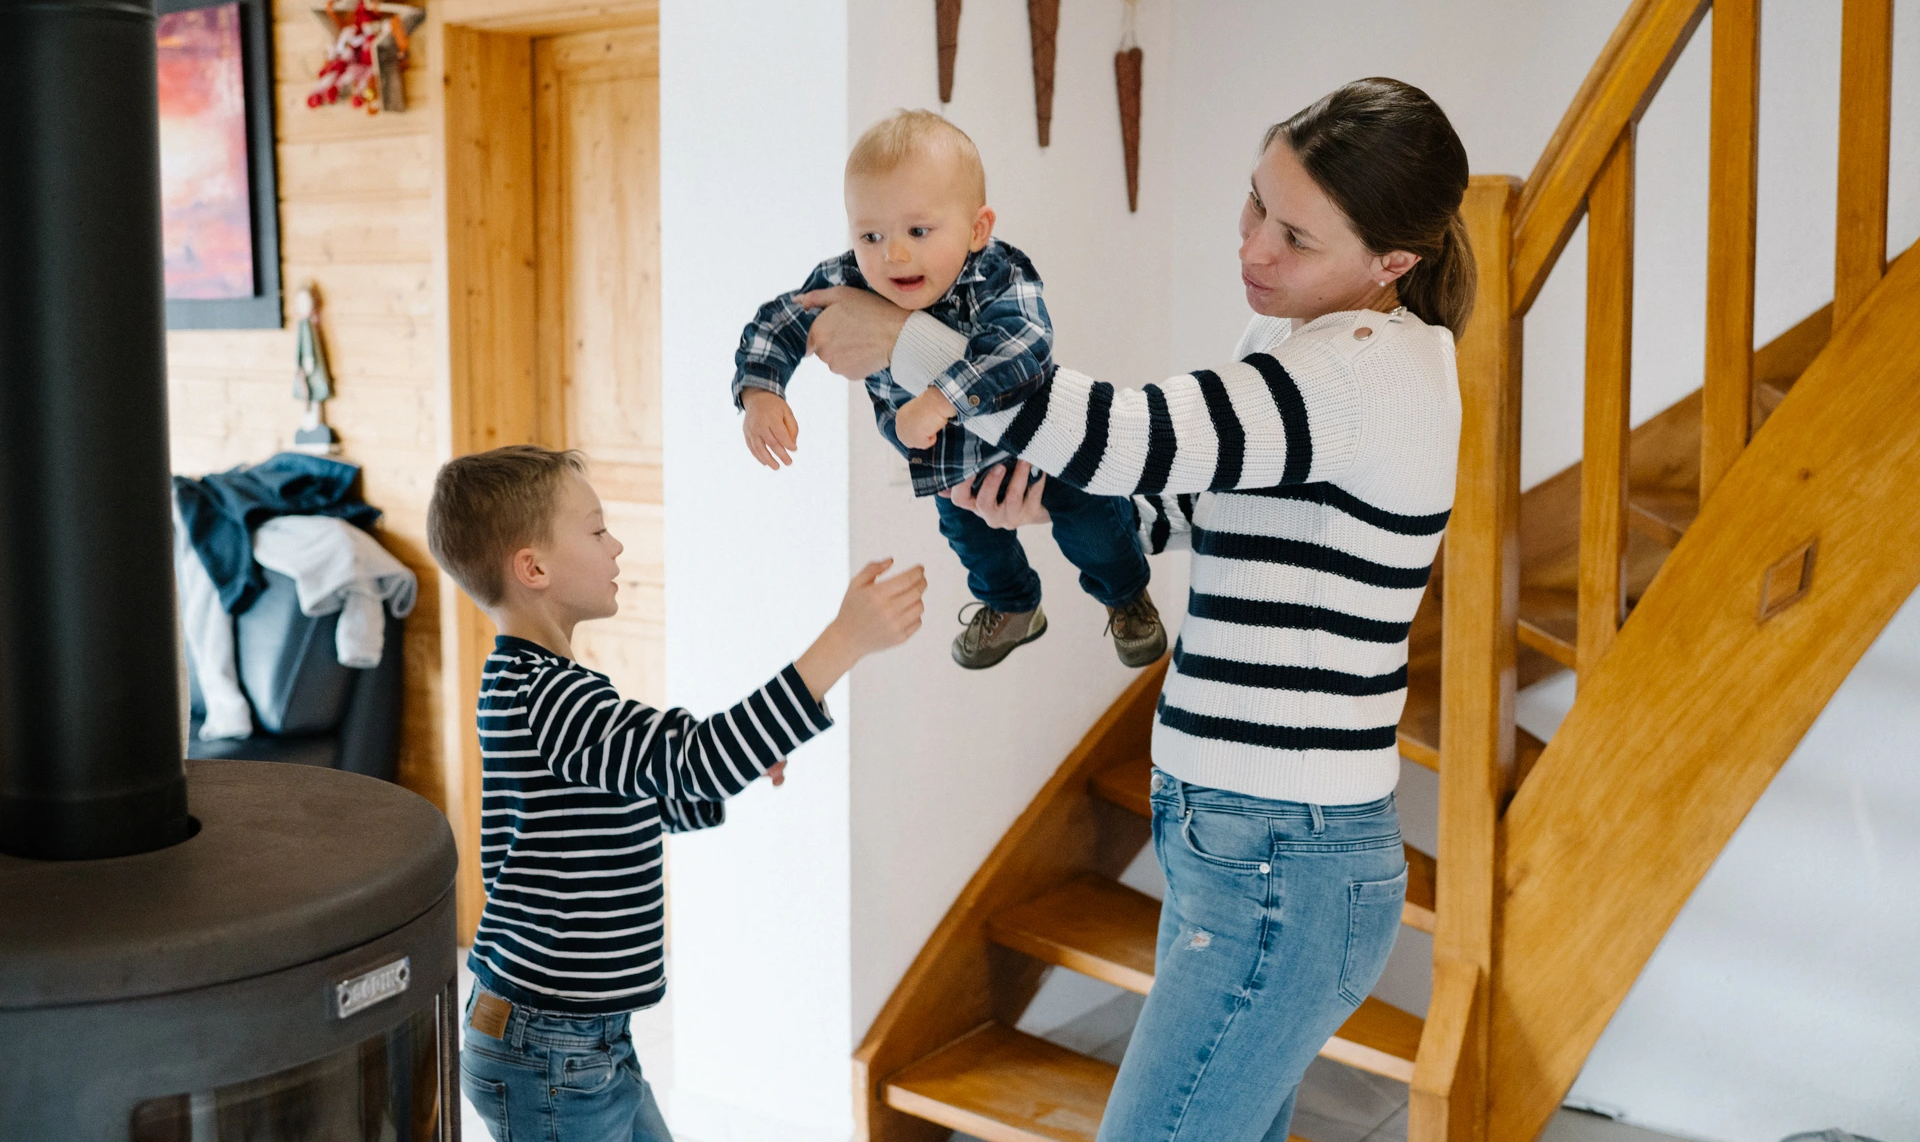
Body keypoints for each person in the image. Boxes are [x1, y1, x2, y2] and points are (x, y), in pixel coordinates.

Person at [802, 78, 1472, 1140]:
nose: (1254, 247)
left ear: (1392, 263)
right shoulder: (1292, 348)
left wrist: (907, 337)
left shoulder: (1364, 375)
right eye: (1256, 203)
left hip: (1280, 858)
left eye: (1294, 235)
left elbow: (1125, 432)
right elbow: (1175, 501)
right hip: (1244, 840)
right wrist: (1049, 504)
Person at [425, 444, 925, 1142]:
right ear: (533, 567)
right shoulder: (545, 696)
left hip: (584, 1038)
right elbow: (690, 758)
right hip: (548, 1046)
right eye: (597, 530)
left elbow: (645, 795)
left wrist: (740, 759)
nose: (617, 544)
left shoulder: (551, 691)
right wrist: (843, 641)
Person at [732, 109, 1167, 671]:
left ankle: (1126, 594)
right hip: (954, 465)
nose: (894, 254)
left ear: (977, 229)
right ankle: (1012, 607)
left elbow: (1024, 345)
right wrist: (761, 391)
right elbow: (781, 320)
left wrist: (939, 399)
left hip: (1041, 442)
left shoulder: (998, 274)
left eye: (918, 231)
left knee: (1091, 521)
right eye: (871, 234)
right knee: (970, 538)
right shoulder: (848, 280)